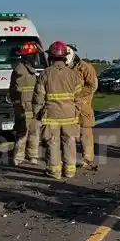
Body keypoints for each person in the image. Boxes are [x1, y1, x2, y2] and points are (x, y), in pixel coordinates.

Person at [32, 41, 84, 180]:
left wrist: (37, 115)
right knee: (69, 142)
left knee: (53, 143)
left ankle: (54, 172)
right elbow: (79, 97)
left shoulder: (44, 74)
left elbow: (38, 98)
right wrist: (76, 111)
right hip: (70, 115)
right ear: (65, 57)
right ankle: (70, 171)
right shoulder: (74, 75)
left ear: (50, 57)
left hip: (51, 115)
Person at [66, 43, 99, 169]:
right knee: (68, 133)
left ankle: (87, 158)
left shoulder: (85, 67)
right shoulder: (64, 67)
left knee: (85, 130)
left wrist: (78, 96)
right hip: (68, 104)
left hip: (83, 104)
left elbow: (92, 86)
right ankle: (69, 158)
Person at [9, 41, 42, 166]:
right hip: (24, 107)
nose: (36, 58)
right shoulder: (21, 70)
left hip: (31, 107)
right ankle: (18, 157)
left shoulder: (29, 69)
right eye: (34, 55)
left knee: (34, 131)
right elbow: (18, 91)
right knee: (23, 133)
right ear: (29, 56)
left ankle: (32, 155)